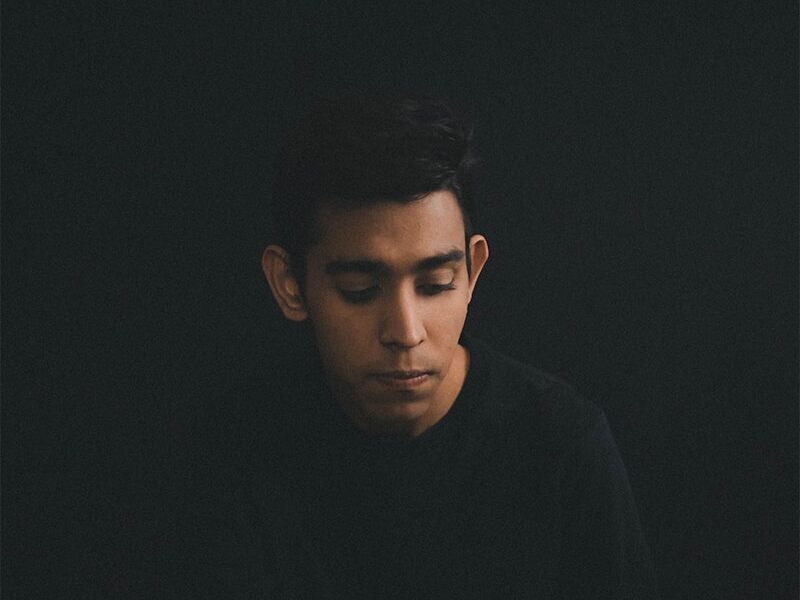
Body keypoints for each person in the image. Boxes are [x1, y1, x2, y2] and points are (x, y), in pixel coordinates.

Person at [190, 91, 657, 599]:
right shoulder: (240, 446)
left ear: (474, 271)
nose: (406, 331)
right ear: (289, 284)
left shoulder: (563, 448)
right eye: (360, 292)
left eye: (436, 283)